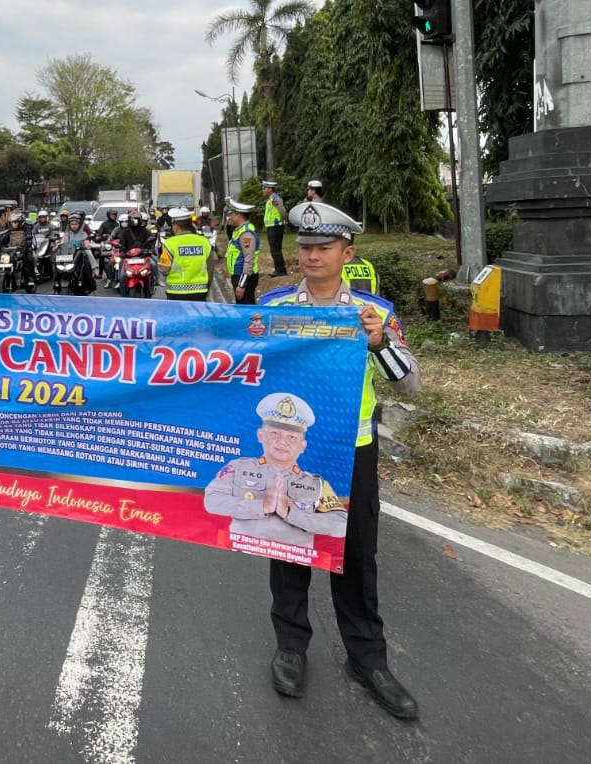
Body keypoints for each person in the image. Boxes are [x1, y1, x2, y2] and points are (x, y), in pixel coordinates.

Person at [256, 200, 423, 720]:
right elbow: (243, 362)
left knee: (355, 556)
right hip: (291, 453)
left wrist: (377, 342)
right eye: (304, 246)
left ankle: (367, 659)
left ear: (347, 252)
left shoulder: (373, 311)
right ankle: (291, 646)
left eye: (322, 246)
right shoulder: (277, 304)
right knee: (289, 546)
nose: (309, 254)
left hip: (352, 450)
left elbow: (411, 381)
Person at [204, 392, 348, 547]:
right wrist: (261, 506)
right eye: (274, 433)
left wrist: (289, 513)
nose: (282, 441)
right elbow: (211, 500)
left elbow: (341, 525)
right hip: (242, 551)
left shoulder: (316, 484)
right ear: (260, 435)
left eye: (292, 437)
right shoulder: (238, 467)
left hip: (293, 557)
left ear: (302, 446)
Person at [158, 206, 211, 302]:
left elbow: (164, 269)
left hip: (176, 293)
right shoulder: (204, 242)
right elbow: (210, 266)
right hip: (200, 292)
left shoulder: (170, 243)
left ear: (176, 226)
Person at [224, 199, 261, 304]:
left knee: (246, 307)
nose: (230, 217)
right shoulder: (239, 230)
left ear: (238, 216)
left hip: (244, 276)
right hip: (239, 274)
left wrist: (241, 285)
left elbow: (249, 259)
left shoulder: (246, 234)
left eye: (232, 214)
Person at [115, 210, 154, 297]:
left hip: (143, 257)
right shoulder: (124, 232)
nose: (135, 222)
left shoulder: (146, 231)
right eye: (133, 220)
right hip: (128, 258)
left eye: (137, 220)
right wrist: (122, 253)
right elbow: (121, 245)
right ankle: (123, 295)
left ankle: (152, 284)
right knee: (121, 276)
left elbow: (151, 241)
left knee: (153, 265)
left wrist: (149, 250)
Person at [262, 179, 290, 276]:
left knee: (276, 249)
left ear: (270, 189)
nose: (263, 190)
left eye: (264, 188)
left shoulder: (275, 199)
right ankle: (278, 269)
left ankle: (281, 270)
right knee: (274, 249)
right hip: (272, 227)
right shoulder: (271, 199)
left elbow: (282, 211)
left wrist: (284, 222)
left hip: (276, 227)